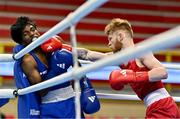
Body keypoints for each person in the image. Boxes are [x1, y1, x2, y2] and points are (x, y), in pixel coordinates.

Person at [77, 18, 180, 118]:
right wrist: (67, 49)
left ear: (120, 36)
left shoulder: (140, 51)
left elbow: (163, 72)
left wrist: (134, 76)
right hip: (159, 107)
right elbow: (87, 54)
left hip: (162, 107)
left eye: (110, 38)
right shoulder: (120, 58)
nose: (108, 43)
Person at [10, 16, 100, 118]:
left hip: (71, 102)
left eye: (32, 29)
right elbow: (41, 92)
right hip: (50, 106)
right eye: (25, 34)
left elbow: (74, 60)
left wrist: (85, 87)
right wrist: (54, 70)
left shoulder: (55, 41)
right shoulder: (28, 60)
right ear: (21, 41)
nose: (32, 34)